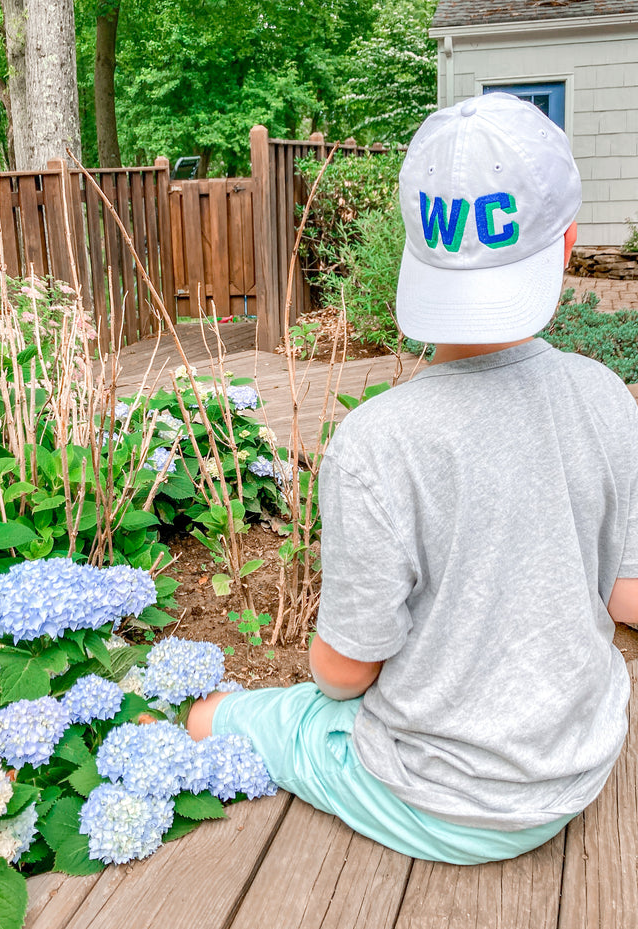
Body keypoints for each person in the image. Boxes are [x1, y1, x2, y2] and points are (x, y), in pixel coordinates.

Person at [187, 92, 638, 864]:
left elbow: (343, 675)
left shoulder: (376, 442)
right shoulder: (606, 393)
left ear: (416, 248)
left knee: (223, 715)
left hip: (446, 805)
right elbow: (623, 593)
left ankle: (201, 719)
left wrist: (317, 669)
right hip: (581, 763)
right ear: (565, 246)